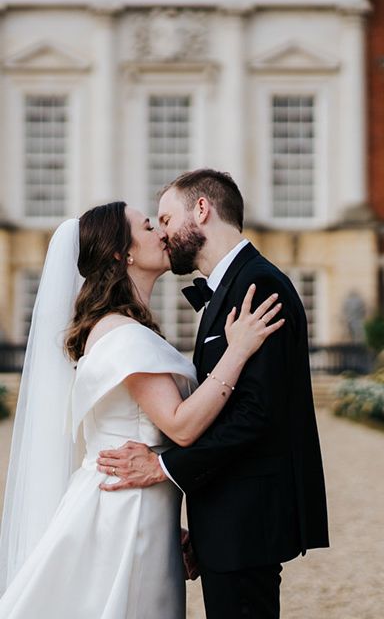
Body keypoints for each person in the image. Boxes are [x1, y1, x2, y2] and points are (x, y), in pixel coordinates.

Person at [0, 201, 283, 619]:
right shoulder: (121, 333)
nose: (162, 234)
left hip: (141, 508)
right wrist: (237, 352)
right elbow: (181, 427)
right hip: (125, 512)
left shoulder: (123, 327)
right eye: (150, 226)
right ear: (123, 253)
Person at [97, 170, 329, 619]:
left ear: (201, 210)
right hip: (227, 522)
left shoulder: (258, 285)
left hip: (248, 522)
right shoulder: (229, 288)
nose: (161, 233)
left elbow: (257, 413)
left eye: (165, 218)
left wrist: (162, 467)